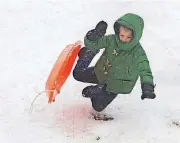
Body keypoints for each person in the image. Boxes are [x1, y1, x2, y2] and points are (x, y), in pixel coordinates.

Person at [73, 13, 156, 112]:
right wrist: (95, 35)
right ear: (118, 31)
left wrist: (147, 86)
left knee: (98, 106)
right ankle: (88, 54)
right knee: (77, 73)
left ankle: (98, 91)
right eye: (122, 35)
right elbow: (93, 43)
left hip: (116, 84)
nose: (124, 39)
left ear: (135, 37)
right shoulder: (111, 40)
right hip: (101, 73)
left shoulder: (138, 52)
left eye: (128, 37)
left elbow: (145, 69)